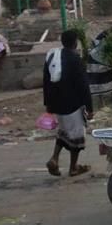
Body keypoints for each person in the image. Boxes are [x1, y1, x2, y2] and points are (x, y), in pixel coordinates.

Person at [43, 30, 93, 177]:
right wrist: (90, 108)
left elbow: (46, 81)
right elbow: (84, 86)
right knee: (76, 137)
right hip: (73, 104)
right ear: (75, 42)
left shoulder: (53, 57)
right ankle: (73, 167)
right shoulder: (75, 59)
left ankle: (54, 158)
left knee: (64, 132)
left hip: (58, 105)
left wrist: (48, 104)